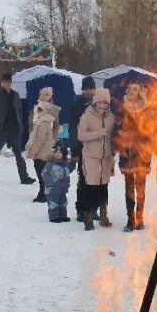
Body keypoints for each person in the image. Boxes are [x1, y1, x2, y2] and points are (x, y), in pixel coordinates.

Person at [116, 83, 154, 232]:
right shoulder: (122, 108)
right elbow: (116, 130)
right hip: (127, 154)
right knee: (129, 188)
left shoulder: (147, 108)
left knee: (141, 189)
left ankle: (139, 219)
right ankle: (130, 220)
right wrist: (120, 144)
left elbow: (149, 131)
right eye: (130, 88)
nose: (131, 91)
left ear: (140, 93)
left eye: (135, 89)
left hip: (141, 154)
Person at [77, 88, 116, 231]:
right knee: (91, 188)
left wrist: (113, 157)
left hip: (106, 158)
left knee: (103, 187)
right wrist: (100, 133)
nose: (102, 105)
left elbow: (113, 137)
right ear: (95, 102)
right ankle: (88, 218)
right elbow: (81, 136)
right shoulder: (87, 116)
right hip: (91, 157)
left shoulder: (111, 117)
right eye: (99, 102)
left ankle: (104, 216)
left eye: (105, 102)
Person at [0, 73, 35, 187]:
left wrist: (20, 126)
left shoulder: (15, 95)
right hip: (1, 129)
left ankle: (24, 177)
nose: (7, 84)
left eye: (9, 82)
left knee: (19, 154)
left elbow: (19, 111)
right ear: (1, 83)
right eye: (5, 82)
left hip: (14, 129)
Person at [24, 87, 60, 204]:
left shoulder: (52, 110)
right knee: (38, 167)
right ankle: (43, 192)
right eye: (42, 94)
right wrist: (31, 136)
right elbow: (32, 124)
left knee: (42, 169)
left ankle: (44, 193)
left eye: (47, 95)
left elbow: (56, 126)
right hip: (36, 140)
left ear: (50, 97)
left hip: (46, 142)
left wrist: (54, 138)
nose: (44, 96)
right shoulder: (36, 108)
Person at [69, 77, 97, 220]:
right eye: (85, 88)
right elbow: (73, 130)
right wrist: (74, 152)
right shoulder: (77, 105)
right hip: (82, 149)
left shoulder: (101, 104)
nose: (88, 91)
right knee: (83, 180)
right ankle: (81, 210)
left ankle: (93, 209)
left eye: (90, 88)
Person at [42, 147, 73, 223]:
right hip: (52, 188)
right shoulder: (50, 163)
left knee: (63, 202)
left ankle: (63, 215)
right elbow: (45, 174)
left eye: (60, 152)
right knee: (53, 202)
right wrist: (51, 184)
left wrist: (66, 185)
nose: (57, 153)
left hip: (62, 188)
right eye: (56, 152)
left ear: (64, 155)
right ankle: (54, 216)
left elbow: (67, 175)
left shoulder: (65, 164)